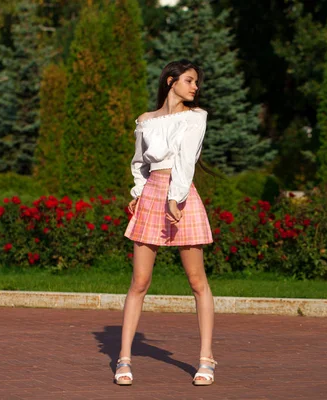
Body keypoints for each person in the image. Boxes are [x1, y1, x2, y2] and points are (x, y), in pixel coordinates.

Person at [115, 60, 217, 386]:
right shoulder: (145, 121)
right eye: (189, 80)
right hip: (153, 195)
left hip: (182, 194)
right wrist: (138, 192)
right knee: (139, 282)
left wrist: (175, 197)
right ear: (171, 81)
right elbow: (138, 163)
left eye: (196, 82)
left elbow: (186, 160)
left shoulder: (196, 117)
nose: (195, 87)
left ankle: (206, 359)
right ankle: (124, 359)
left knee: (197, 281)